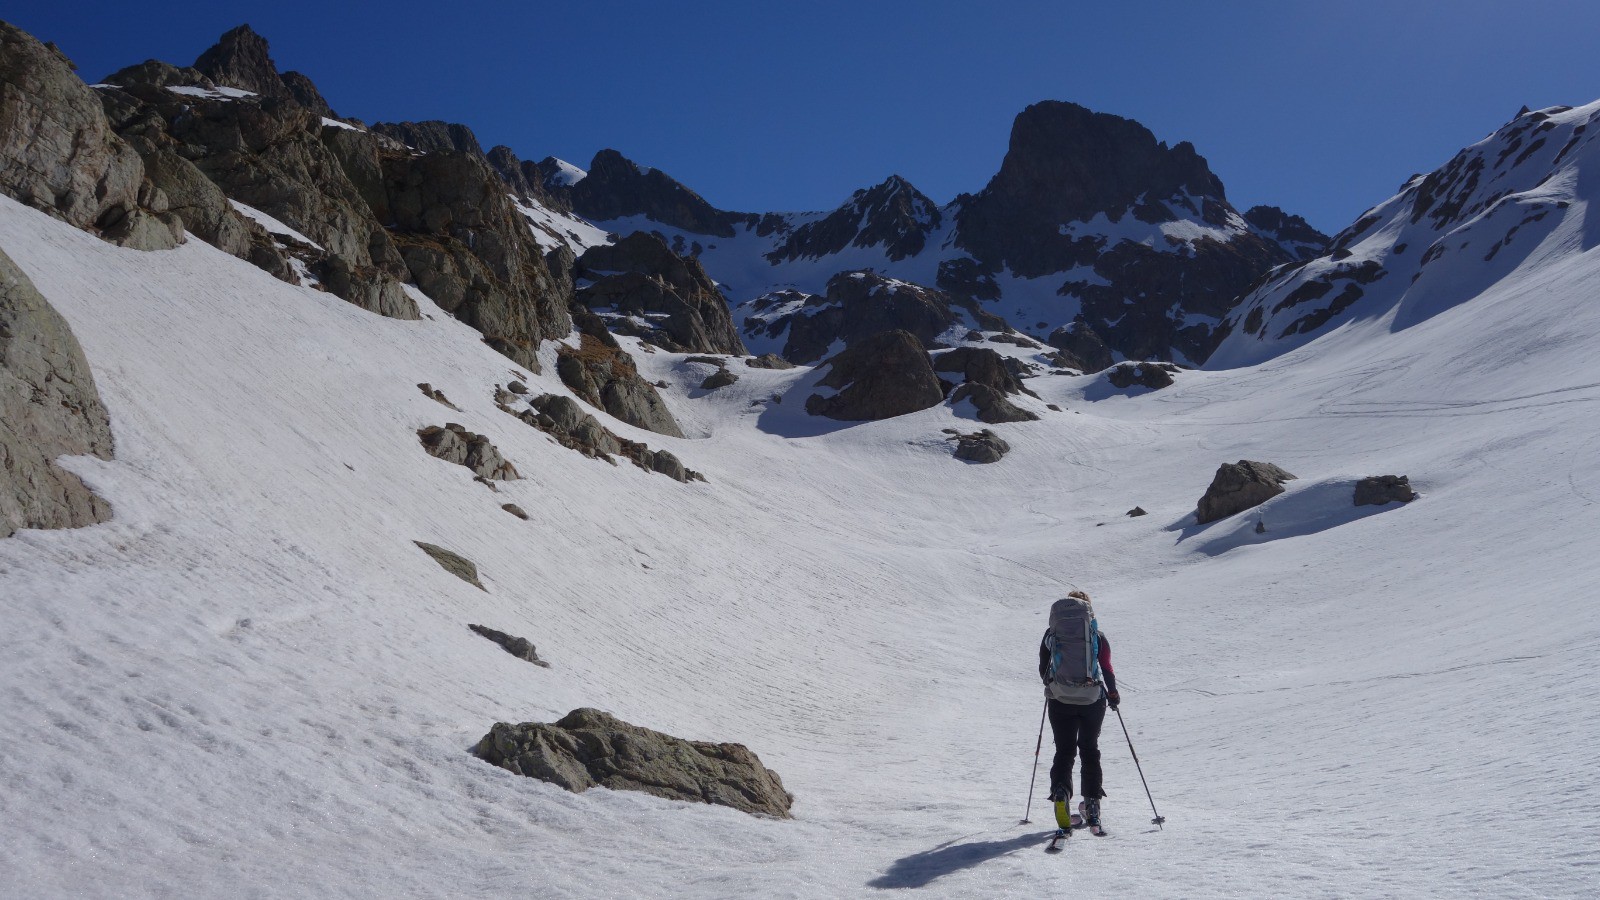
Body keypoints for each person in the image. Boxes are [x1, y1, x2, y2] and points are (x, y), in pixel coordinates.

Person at [1038, 590, 1119, 831]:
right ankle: (1092, 804)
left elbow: (1043, 666)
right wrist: (1112, 694)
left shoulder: (1051, 634)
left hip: (1060, 699)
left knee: (1064, 750)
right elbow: (1106, 667)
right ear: (1089, 611)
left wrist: (1051, 685)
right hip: (1092, 699)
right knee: (1089, 749)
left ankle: (1061, 793)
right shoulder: (1097, 636)